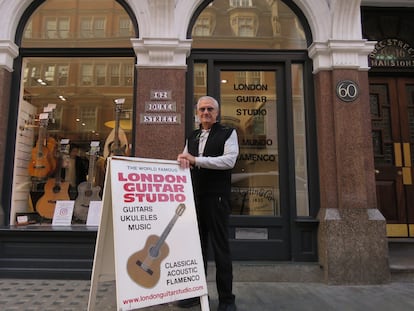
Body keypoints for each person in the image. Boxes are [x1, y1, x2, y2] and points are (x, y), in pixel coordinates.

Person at [177, 96, 238, 311]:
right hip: (195, 200)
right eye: (202, 109)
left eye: (210, 109)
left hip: (217, 199)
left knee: (221, 250)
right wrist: (184, 160)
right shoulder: (192, 136)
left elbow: (229, 161)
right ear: (197, 112)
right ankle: (196, 295)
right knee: (197, 249)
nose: (205, 112)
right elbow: (186, 160)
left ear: (217, 112)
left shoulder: (228, 133)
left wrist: (195, 160)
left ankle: (227, 300)